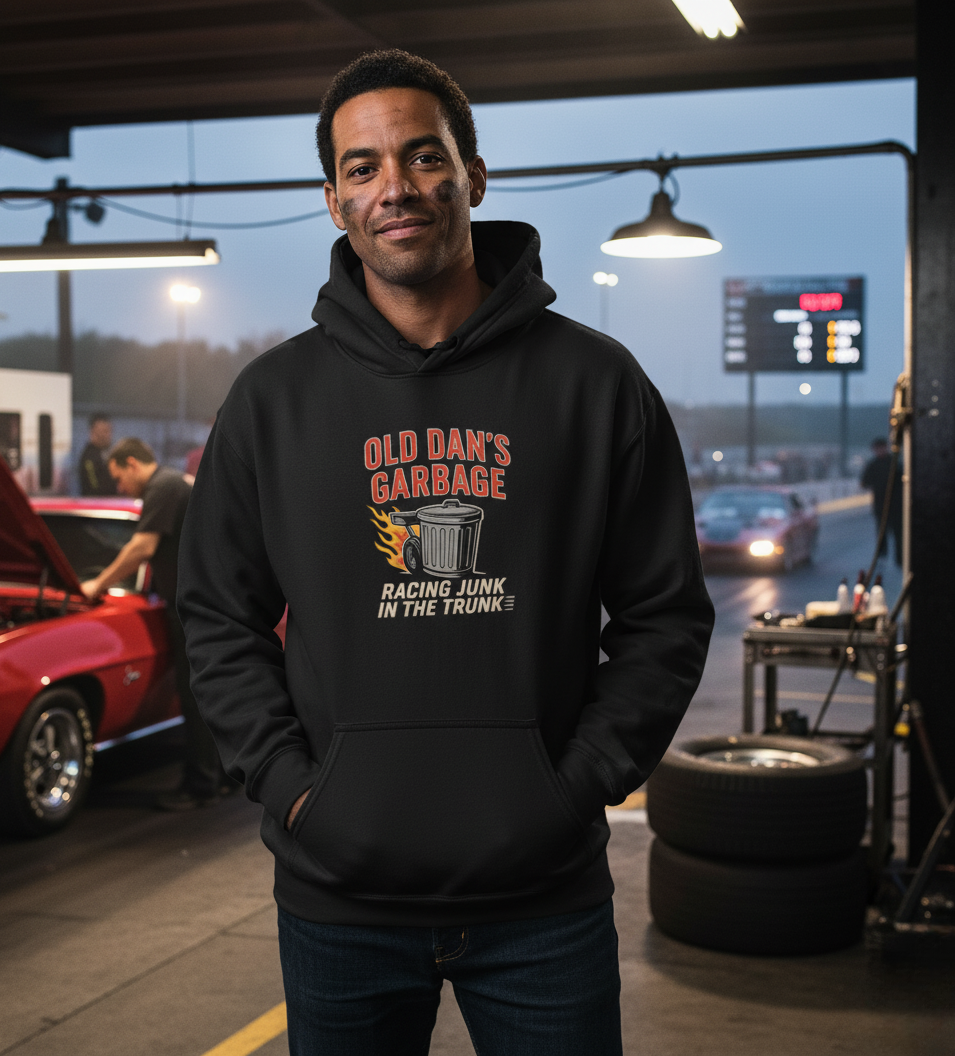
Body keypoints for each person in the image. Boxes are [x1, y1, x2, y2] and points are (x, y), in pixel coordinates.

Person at [177, 50, 714, 1056]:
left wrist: (578, 781)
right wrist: (295, 790)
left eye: (422, 158)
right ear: (334, 198)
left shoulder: (594, 386)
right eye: (364, 166)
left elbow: (663, 616)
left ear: (471, 174)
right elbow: (216, 617)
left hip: (541, 901)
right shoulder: (270, 403)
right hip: (338, 901)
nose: (396, 188)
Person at [80, 437, 225, 809]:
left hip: (191, 605)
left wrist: (98, 583)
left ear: (131, 463)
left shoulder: (163, 486)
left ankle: (199, 784)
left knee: (196, 694)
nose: (119, 487)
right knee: (209, 693)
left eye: (119, 478)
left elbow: (141, 548)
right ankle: (222, 777)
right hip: (203, 601)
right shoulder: (175, 483)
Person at [860, 437, 903, 567]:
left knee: (898, 533)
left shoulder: (895, 463)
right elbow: (864, 482)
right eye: (877, 449)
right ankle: (882, 556)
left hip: (896, 504)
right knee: (881, 532)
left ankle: (900, 559)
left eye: (881, 448)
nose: (879, 451)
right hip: (880, 504)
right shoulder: (872, 465)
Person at [77, 414, 117, 496]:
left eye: (106, 431)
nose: (103, 435)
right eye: (99, 432)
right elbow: (94, 487)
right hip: (96, 503)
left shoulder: (112, 452)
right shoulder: (89, 457)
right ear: (92, 432)